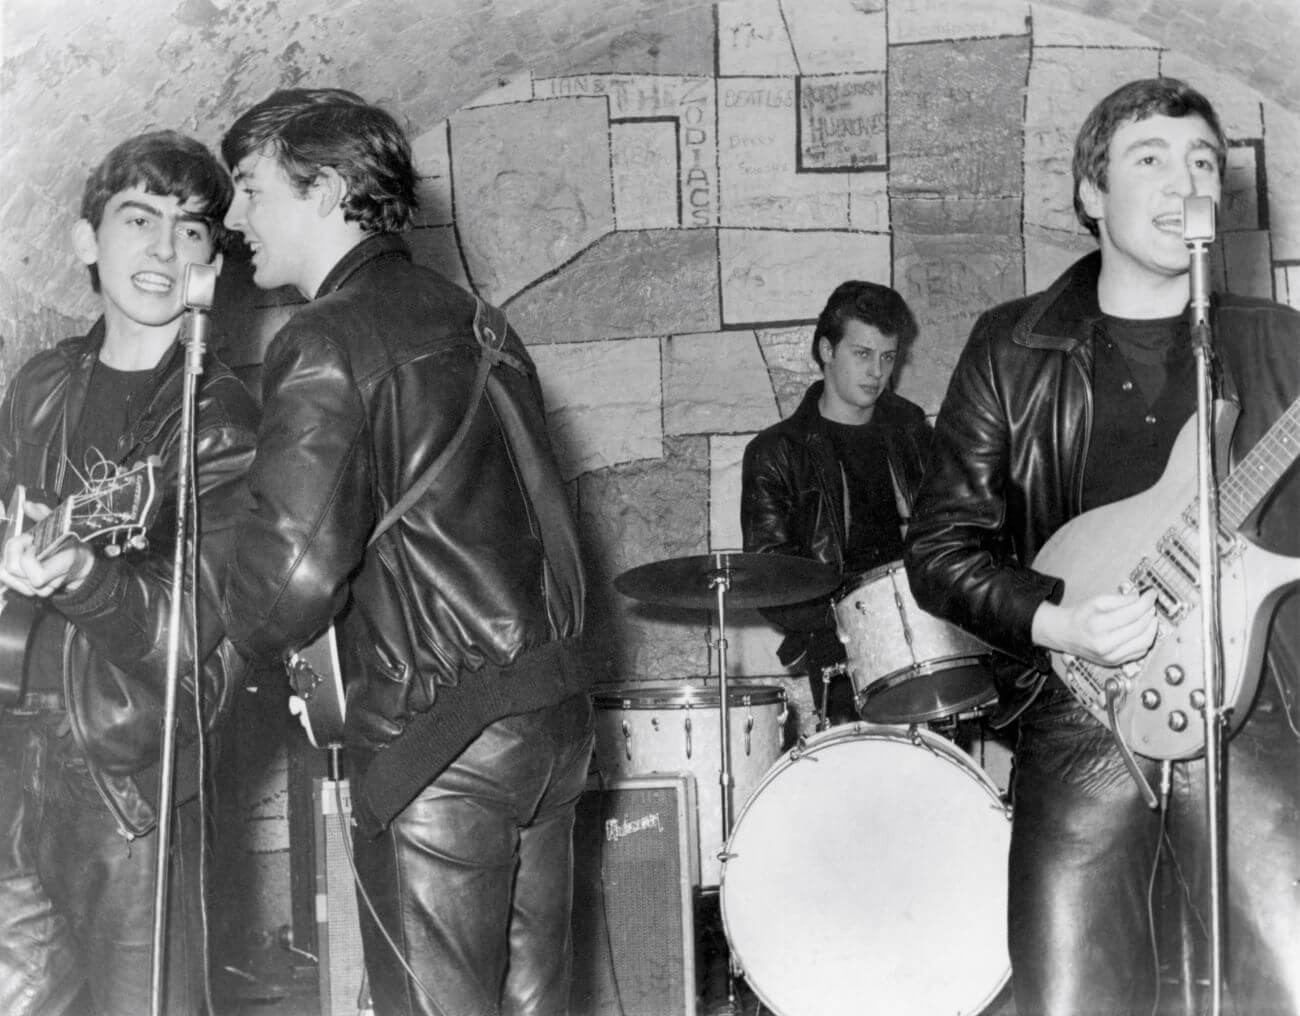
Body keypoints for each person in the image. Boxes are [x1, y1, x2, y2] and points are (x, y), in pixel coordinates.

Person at [906, 77, 1300, 1016]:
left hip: (1254, 713)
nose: (1184, 181)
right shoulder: (1015, 348)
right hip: (1082, 714)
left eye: (1203, 162)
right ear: (1091, 192)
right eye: (1149, 158)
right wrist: (1060, 621)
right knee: (1072, 999)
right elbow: (940, 546)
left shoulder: (1279, 343)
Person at [218, 89, 593, 1016]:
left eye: (250, 188)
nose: (232, 220)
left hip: (444, 744)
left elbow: (287, 587)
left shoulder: (326, 335)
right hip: (549, 722)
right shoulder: (478, 320)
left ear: (329, 188)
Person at [0, 132, 260, 1015]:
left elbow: (185, 637)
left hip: (127, 778)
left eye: (192, 231)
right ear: (85, 241)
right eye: (138, 218)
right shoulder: (41, 385)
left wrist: (82, 576)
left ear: (212, 265)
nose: (162, 247)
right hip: (13, 759)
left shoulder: (218, 420)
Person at [741, 281, 933, 726]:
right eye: (862, 354)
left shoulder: (910, 427)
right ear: (827, 350)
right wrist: (859, 615)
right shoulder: (777, 452)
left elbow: (950, 524)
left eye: (888, 357)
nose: (877, 372)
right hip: (839, 644)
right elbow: (772, 581)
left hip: (925, 628)